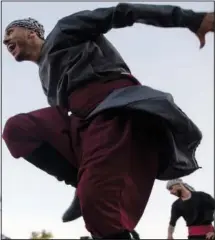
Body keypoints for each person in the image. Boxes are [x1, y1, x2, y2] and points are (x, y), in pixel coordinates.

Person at [2, 3, 214, 239]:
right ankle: (78, 180)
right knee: (17, 129)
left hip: (111, 109)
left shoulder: (65, 30)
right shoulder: (44, 74)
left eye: (10, 32)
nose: (5, 41)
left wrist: (191, 19)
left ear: (31, 33)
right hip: (81, 124)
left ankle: (111, 222)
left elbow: (123, 12)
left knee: (96, 204)